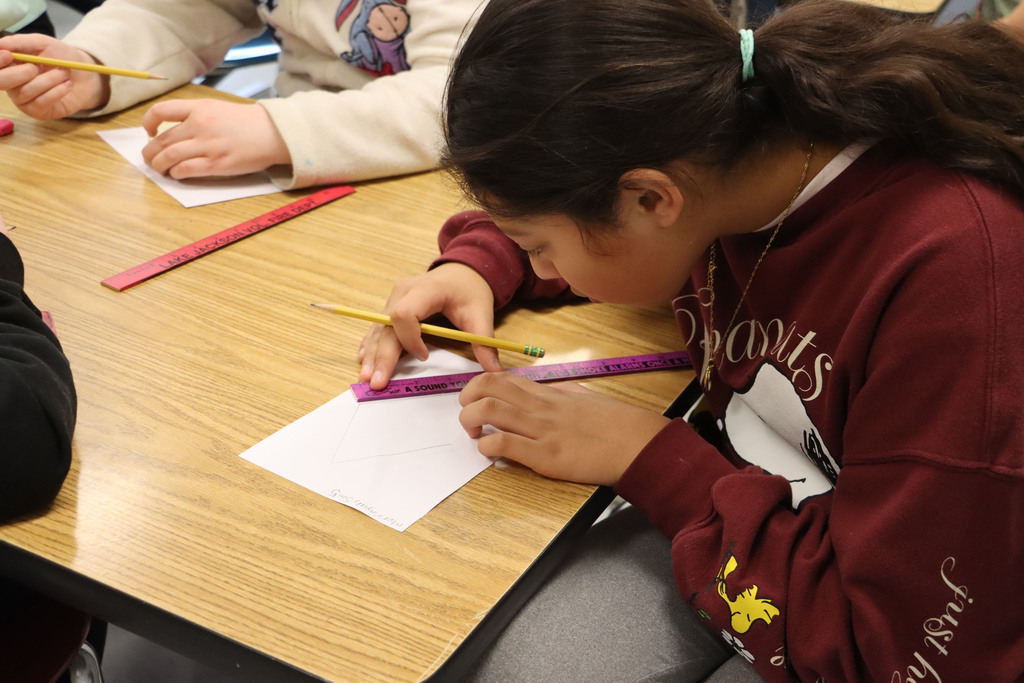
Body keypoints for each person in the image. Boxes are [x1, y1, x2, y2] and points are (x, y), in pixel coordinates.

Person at [357, 0, 1024, 680]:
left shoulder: (953, 280)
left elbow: (885, 654)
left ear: (651, 201)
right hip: (765, 517)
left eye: (540, 246)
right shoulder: (736, 149)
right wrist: (481, 262)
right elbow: (588, 202)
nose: (543, 268)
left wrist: (646, 455)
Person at [0, 0, 483, 189]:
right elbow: (188, 9)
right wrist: (96, 64)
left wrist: (279, 130)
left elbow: (468, 96)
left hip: (452, 193)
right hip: (303, 173)